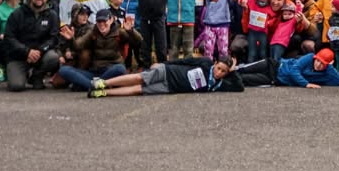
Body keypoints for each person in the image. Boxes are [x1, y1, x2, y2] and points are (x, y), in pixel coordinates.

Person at [86, 56, 244, 97]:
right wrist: (163, 64)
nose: (218, 73)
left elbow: (239, 87)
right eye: (218, 68)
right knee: (139, 77)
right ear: (215, 63)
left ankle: (103, 92)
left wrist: (233, 69)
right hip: (169, 71)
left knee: (138, 90)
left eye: (223, 72)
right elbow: (184, 61)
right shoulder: (205, 63)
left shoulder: (218, 84)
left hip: (169, 87)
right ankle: (102, 83)